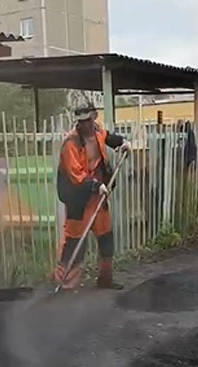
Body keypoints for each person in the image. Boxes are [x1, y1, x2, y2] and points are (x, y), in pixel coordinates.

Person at [54, 103, 130, 290]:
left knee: (106, 238)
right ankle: (65, 285)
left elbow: (108, 137)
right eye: (81, 122)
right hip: (78, 200)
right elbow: (76, 175)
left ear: (94, 117)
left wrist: (122, 142)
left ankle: (105, 280)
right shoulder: (70, 143)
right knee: (74, 243)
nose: (84, 125)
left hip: (98, 196)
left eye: (87, 120)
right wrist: (96, 185)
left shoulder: (97, 132)